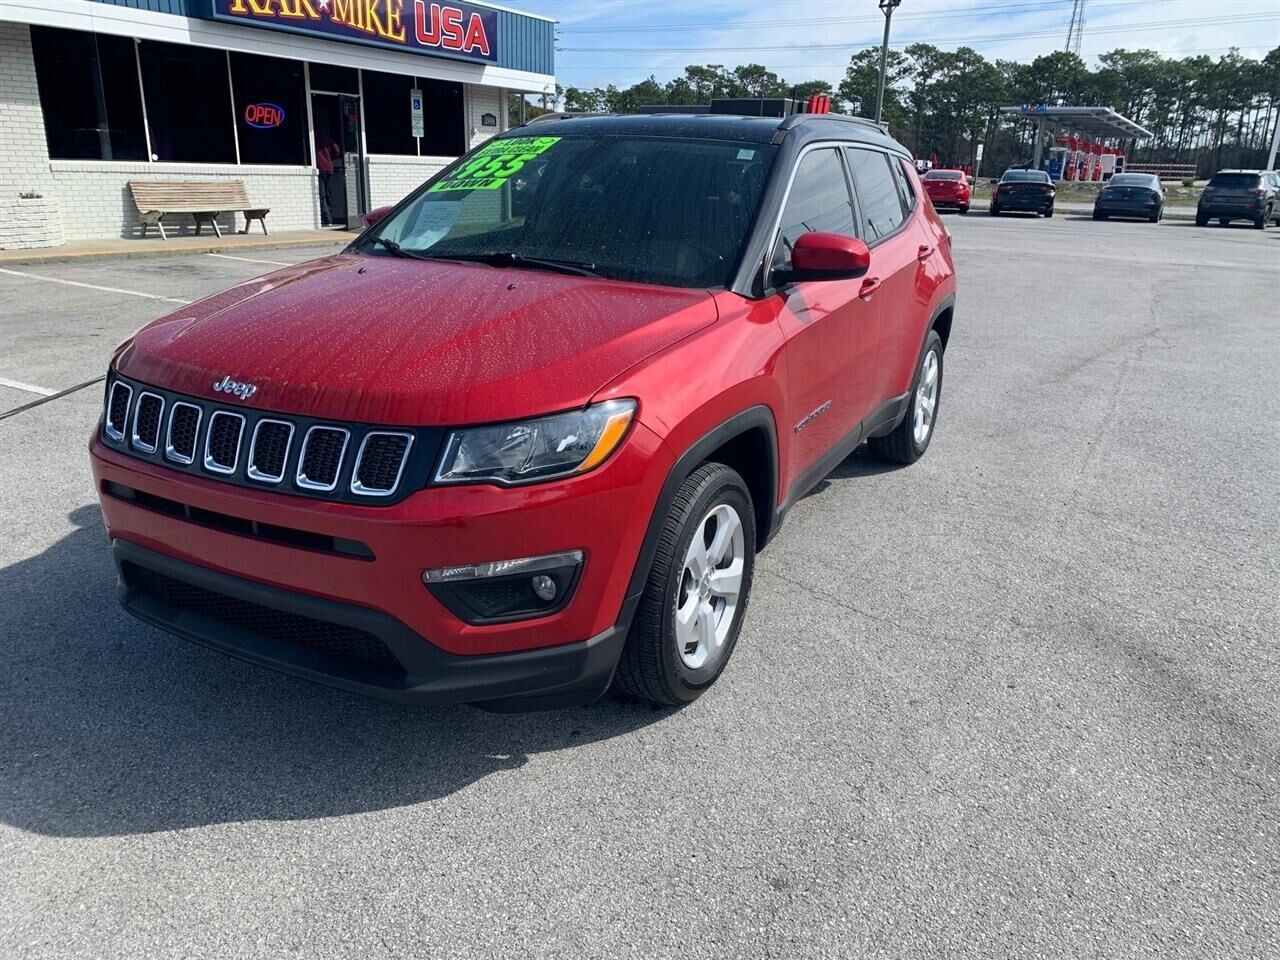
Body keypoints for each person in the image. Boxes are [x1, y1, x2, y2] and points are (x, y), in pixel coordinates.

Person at [316, 130, 337, 226]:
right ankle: (330, 217)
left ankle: (327, 218)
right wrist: (330, 159)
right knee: (328, 194)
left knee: (322, 195)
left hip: (320, 168)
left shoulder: (313, 139)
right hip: (329, 168)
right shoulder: (328, 138)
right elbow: (336, 151)